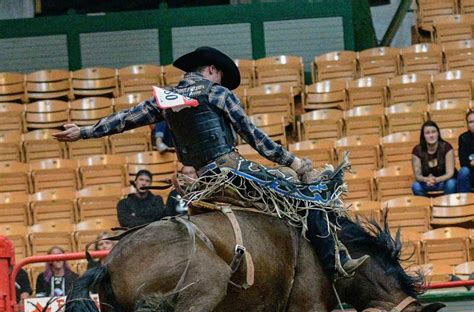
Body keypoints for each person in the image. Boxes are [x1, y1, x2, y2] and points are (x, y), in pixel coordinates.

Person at [53, 46, 367, 279]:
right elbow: (257, 138)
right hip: (232, 173)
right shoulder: (217, 94)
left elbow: (124, 119)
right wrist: (296, 163)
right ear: (213, 70)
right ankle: (333, 266)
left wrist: (82, 131)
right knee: (311, 191)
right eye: (223, 77)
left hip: (198, 186)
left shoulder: (166, 98)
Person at [411, 120, 458, 196]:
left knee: (451, 183)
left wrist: (436, 180)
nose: (431, 135)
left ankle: (447, 206)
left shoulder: (447, 147)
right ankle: (426, 206)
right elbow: (417, 176)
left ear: (438, 133)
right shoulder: (417, 150)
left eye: (433, 132)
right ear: (423, 136)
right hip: (427, 183)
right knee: (415, 186)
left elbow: (450, 173)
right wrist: (426, 179)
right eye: (427, 133)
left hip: (444, 181)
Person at [456, 109, 474, 193]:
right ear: (467, 125)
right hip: (471, 174)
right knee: (463, 172)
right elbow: (463, 162)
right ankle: (464, 203)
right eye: (471, 122)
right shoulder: (463, 138)